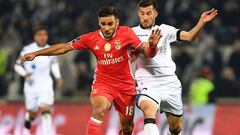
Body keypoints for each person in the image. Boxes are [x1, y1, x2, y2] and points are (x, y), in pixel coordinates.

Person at [20, 6, 161, 135]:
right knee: (99, 110)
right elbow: (63, 47)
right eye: (103, 24)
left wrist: (153, 46)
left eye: (110, 24)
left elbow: (146, 51)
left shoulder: (127, 33)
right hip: (103, 83)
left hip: (125, 86)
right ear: (99, 23)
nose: (106, 28)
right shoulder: (91, 38)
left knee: (127, 128)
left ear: (117, 22)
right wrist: (36, 53)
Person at [131, 0, 217, 135]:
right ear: (138, 14)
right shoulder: (131, 33)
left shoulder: (164, 30)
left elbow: (189, 37)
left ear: (155, 14)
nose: (145, 17)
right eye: (142, 14)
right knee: (148, 110)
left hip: (170, 84)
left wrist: (202, 22)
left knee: (176, 128)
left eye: (149, 13)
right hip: (148, 84)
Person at [14, 27, 64, 135]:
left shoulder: (50, 49)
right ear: (35, 37)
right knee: (33, 112)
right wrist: (24, 73)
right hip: (31, 85)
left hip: (45, 84)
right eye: (40, 35)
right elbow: (17, 66)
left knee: (46, 109)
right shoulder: (27, 49)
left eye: (45, 34)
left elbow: (54, 64)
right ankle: (29, 117)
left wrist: (58, 77)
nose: (42, 37)